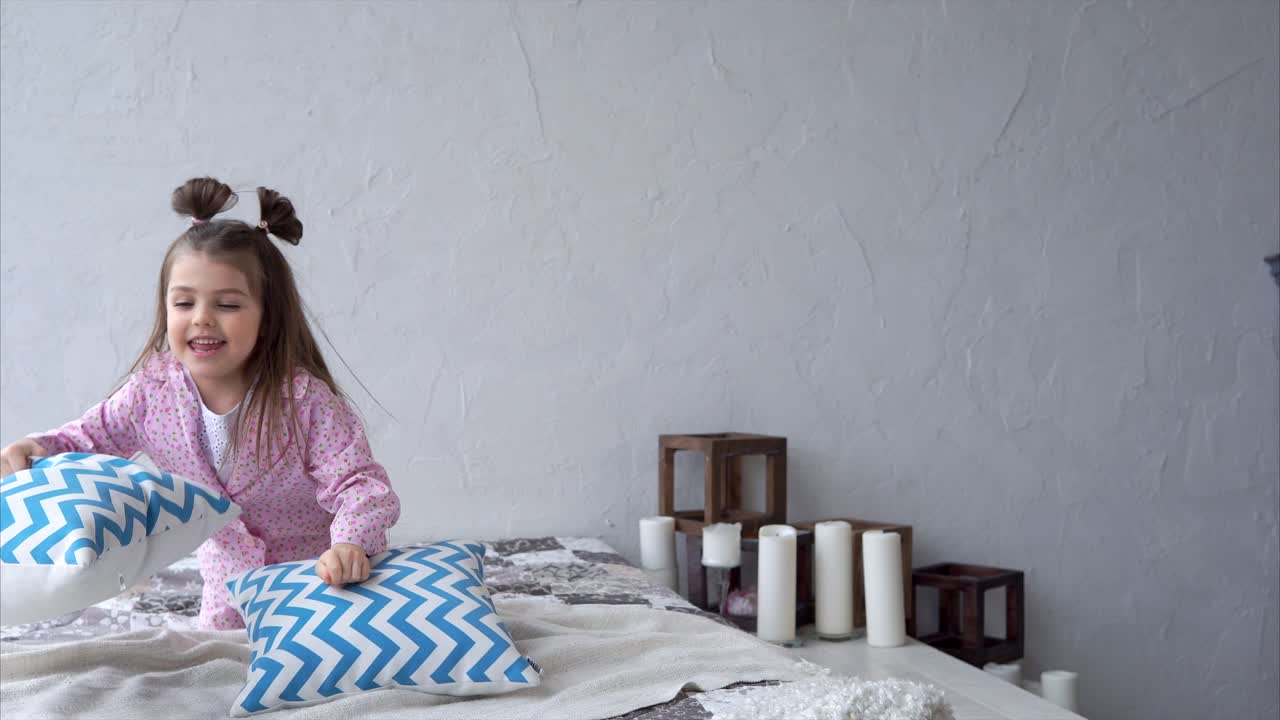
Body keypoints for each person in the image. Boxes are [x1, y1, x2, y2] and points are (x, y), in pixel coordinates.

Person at [0, 177, 401, 629]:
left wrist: (350, 545)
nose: (202, 318)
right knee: (216, 676)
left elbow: (361, 485)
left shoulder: (305, 401)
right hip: (228, 589)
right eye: (184, 302)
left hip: (319, 583)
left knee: (313, 674)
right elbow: (89, 439)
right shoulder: (152, 392)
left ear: (268, 318)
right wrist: (37, 448)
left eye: (228, 304)